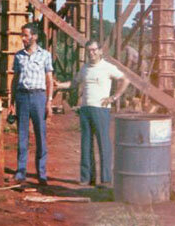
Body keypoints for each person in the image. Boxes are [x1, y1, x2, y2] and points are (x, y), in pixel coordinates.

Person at [59, 40, 129, 186]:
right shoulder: (84, 68)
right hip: (85, 109)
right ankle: (86, 178)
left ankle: (105, 179)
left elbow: (125, 79)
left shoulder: (107, 67)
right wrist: (58, 85)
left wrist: (113, 97)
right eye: (89, 51)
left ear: (100, 51)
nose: (92, 53)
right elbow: (74, 83)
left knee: (104, 144)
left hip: (101, 109)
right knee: (86, 144)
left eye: (94, 50)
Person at [8, 23, 54, 185]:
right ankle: (21, 171)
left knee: (40, 135)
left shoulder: (45, 55)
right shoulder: (18, 56)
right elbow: (14, 80)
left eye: (26, 35)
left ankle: (41, 172)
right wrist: (11, 102)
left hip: (38, 97)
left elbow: (49, 80)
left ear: (34, 37)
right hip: (22, 97)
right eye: (22, 35)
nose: (23, 38)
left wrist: (49, 102)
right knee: (22, 135)